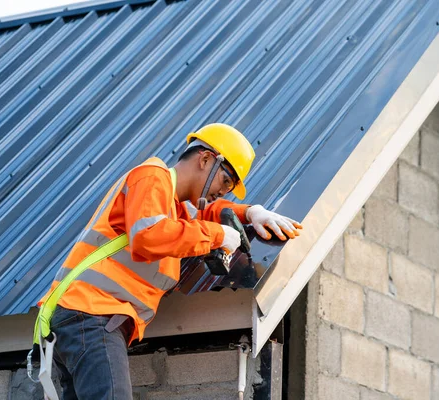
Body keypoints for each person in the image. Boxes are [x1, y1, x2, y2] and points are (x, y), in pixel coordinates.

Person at [36, 123, 302, 399]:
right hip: (91, 314)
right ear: (206, 159)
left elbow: (209, 211)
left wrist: (250, 213)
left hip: (86, 318)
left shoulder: (174, 209)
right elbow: (148, 236)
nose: (225, 191)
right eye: (226, 181)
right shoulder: (152, 176)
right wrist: (217, 234)